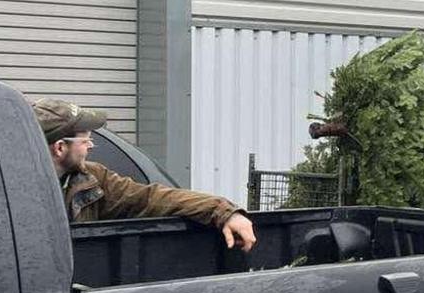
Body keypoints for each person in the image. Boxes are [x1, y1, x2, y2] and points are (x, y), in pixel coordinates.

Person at [33, 98, 257, 251]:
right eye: (85, 140)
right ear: (60, 147)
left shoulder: (92, 178)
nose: (91, 146)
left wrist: (224, 212)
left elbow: (152, 198)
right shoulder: (13, 188)